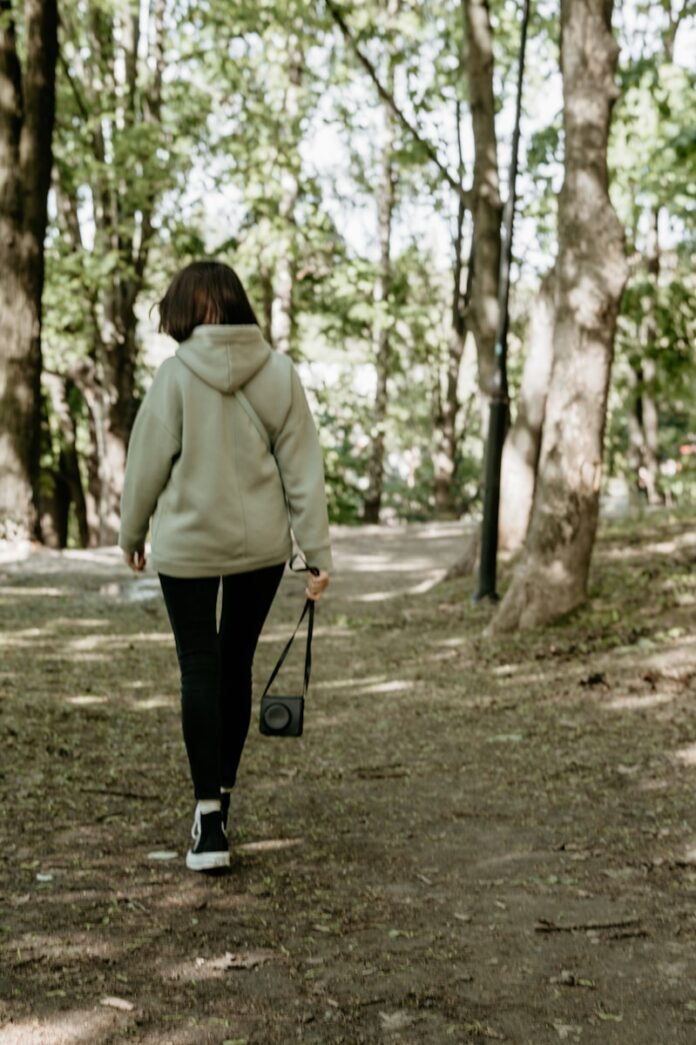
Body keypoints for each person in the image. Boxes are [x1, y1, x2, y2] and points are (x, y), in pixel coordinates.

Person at [118, 260, 332, 873]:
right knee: (235, 664)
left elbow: (146, 466)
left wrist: (133, 534)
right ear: (237, 305)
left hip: (186, 549)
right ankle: (224, 800)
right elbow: (304, 472)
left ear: (186, 310)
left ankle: (206, 819)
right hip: (260, 549)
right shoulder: (281, 375)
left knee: (199, 666)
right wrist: (315, 554)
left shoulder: (175, 376)